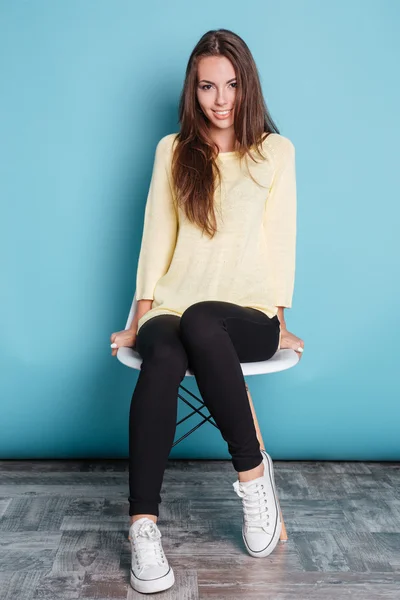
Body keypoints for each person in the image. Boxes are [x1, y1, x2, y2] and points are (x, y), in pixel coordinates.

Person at [110, 28, 304, 595]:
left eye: (232, 85)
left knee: (200, 319)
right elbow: (155, 237)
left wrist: (282, 322)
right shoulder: (173, 151)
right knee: (164, 349)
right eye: (207, 87)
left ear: (249, 87)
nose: (220, 99)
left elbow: (281, 241)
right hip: (173, 306)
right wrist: (139, 317)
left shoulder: (276, 153)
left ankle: (252, 478)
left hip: (245, 315)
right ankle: (143, 530)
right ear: (192, 93)